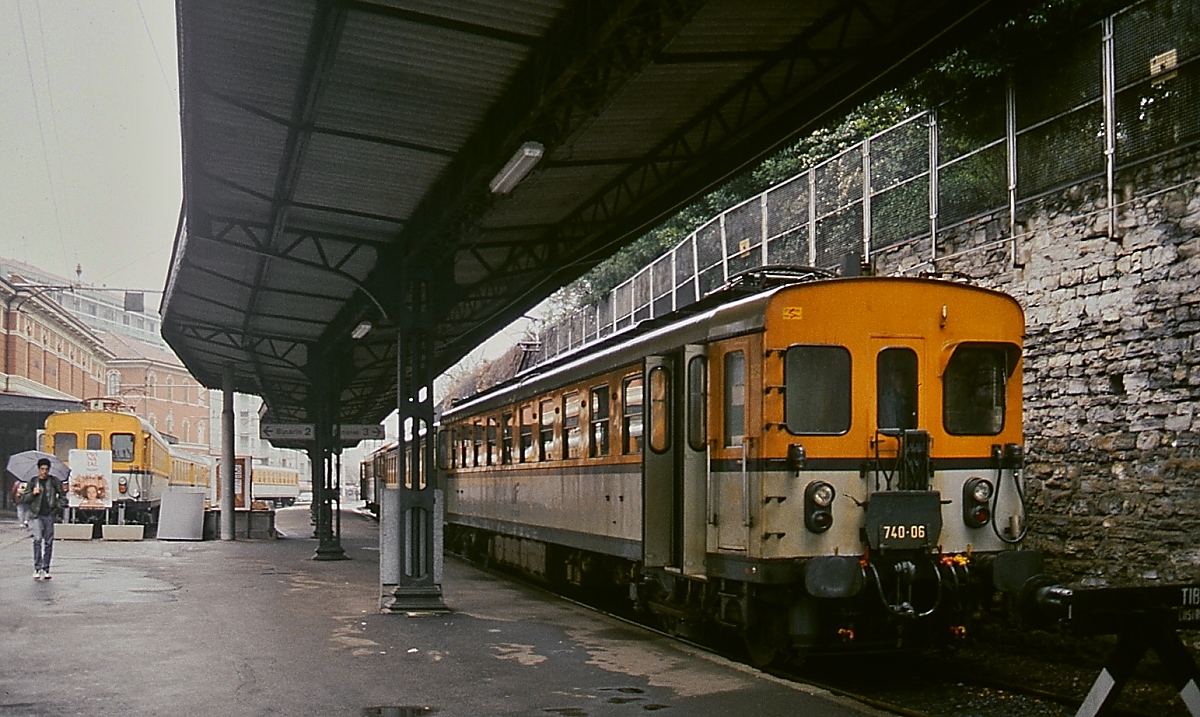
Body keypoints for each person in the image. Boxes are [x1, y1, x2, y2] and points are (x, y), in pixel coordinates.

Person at [18, 458, 68, 580]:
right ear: (38, 469)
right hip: (36, 515)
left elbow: (63, 496)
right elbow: (24, 499)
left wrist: (56, 507)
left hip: (49, 514)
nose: (44, 472)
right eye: (42, 469)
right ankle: (37, 567)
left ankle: (46, 568)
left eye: (46, 469)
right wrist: (33, 494)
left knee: (48, 542)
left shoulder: (54, 481)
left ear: (49, 470)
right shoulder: (33, 481)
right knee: (37, 539)